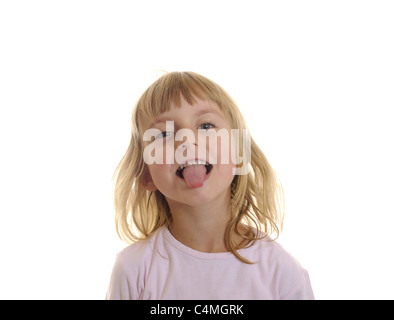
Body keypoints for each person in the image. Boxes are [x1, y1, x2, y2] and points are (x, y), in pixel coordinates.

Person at [106, 71, 314, 299]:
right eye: (164, 133)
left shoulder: (282, 273)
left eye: (206, 126)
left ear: (239, 153)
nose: (186, 140)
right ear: (146, 172)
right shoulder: (133, 270)